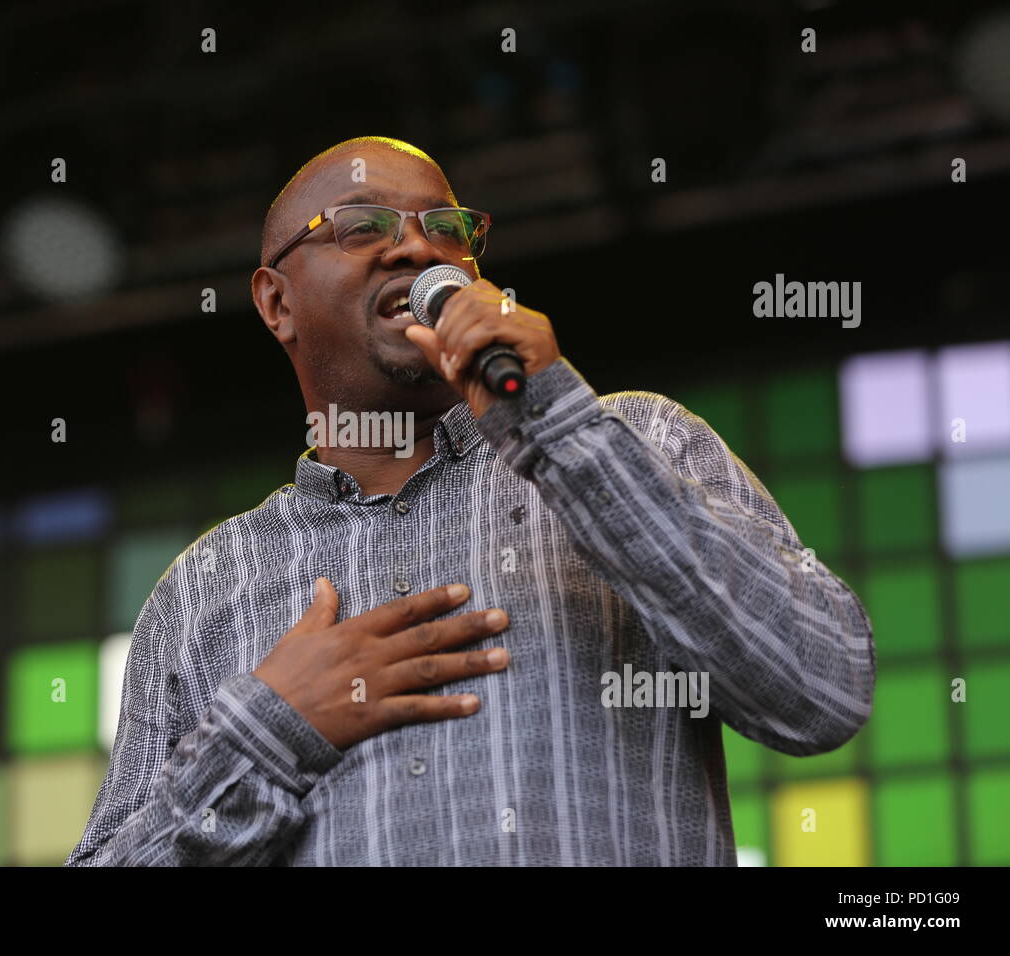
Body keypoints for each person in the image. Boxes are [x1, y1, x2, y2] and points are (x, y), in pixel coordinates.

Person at [66, 135, 875, 866]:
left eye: (447, 228)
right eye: (362, 227)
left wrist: (557, 425)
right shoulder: (203, 589)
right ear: (277, 303)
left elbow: (821, 693)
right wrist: (271, 728)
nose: (418, 246)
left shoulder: (641, 438)